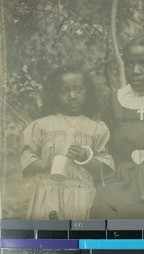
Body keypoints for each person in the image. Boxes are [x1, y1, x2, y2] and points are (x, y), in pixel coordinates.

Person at [90, 36, 144, 219]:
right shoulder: (114, 101)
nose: (135, 71)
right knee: (105, 208)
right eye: (129, 64)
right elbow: (105, 148)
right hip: (121, 179)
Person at [20, 65, 115, 219]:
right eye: (64, 91)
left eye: (79, 90)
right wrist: (45, 164)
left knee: (77, 237)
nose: (72, 96)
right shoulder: (41, 126)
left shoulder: (96, 129)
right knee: (50, 237)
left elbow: (106, 167)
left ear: (88, 92)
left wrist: (86, 158)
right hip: (48, 196)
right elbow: (26, 159)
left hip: (82, 197)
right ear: (54, 95)